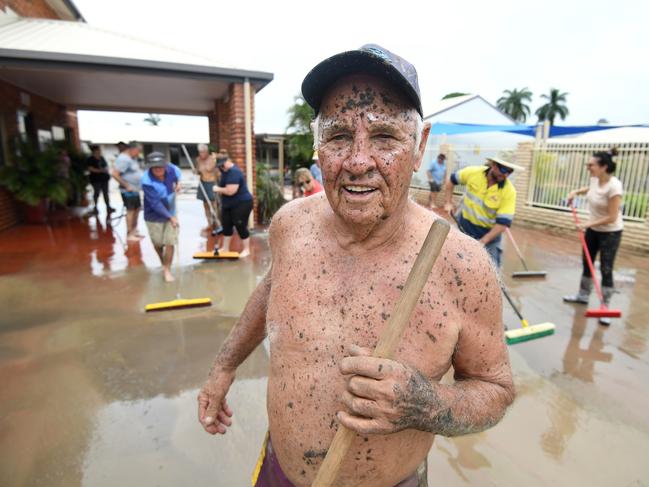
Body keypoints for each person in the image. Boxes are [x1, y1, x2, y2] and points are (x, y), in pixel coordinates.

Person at [198, 44, 514, 487]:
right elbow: (272, 289)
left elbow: (495, 391)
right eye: (339, 136)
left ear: (419, 145)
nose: (358, 161)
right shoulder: (291, 225)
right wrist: (223, 366)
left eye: (385, 137)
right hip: (279, 471)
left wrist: (424, 404)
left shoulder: (461, 265)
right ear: (318, 145)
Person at [563, 148, 623, 325]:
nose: (588, 167)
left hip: (610, 232)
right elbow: (590, 188)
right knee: (586, 262)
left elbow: (612, 217)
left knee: (606, 268)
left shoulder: (614, 187)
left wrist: (586, 224)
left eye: (591, 165)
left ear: (603, 167)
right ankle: (583, 295)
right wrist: (575, 192)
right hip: (593, 230)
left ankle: (605, 307)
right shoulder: (596, 180)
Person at [443, 157, 522, 268]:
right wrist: (448, 202)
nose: (506, 175)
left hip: (489, 238)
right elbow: (451, 181)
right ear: (494, 165)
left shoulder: (509, 192)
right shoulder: (473, 173)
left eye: (510, 171)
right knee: (452, 263)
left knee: (492, 273)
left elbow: (502, 224)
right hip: (463, 229)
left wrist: (483, 241)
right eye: (504, 170)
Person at [141, 152, 181, 282]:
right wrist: (169, 217)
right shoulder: (146, 181)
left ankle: (167, 270)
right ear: (150, 167)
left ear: (165, 165)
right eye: (155, 167)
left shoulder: (172, 169)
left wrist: (178, 183)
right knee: (158, 243)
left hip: (171, 211)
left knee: (170, 242)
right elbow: (155, 203)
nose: (158, 169)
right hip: (154, 215)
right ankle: (164, 263)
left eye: (160, 166)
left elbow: (178, 173)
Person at [213, 154, 254, 258]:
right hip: (228, 204)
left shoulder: (234, 172)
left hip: (242, 203)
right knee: (226, 225)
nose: (221, 167)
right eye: (219, 166)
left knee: (240, 225)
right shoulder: (224, 172)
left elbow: (231, 191)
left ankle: (247, 250)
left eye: (222, 165)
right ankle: (225, 248)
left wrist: (217, 189)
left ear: (228, 161)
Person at [112, 141, 143, 242]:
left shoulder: (131, 158)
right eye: (138, 151)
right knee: (131, 211)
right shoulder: (123, 159)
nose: (139, 153)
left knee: (137, 209)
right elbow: (115, 174)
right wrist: (126, 185)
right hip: (128, 191)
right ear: (132, 149)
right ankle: (129, 233)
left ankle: (134, 230)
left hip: (135, 189)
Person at [195, 143, 223, 236]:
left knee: (214, 204)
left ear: (206, 152)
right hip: (203, 183)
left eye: (203, 152)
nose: (201, 154)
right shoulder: (198, 160)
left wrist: (200, 169)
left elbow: (208, 168)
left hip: (212, 183)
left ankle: (218, 223)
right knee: (205, 205)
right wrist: (196, 171)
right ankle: (209, 223)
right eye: (200, 152)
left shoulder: (212, 159)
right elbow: (198, 170)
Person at [86, 145, 114, 214]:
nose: (99, 151)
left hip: (104, 178)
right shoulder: (90, 159)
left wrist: (105, 170)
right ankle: (95, 207)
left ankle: (108, 206)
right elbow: (90, 168)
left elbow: (106, 166)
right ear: (94, 151)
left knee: (105, 193)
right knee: (96, 193)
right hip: (96, 179)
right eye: (98, 150)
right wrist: (100, 170)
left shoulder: (101, 158)